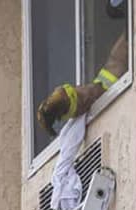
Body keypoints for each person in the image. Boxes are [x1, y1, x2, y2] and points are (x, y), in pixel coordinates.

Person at [36, 0, 130, 134]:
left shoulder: (104, 79)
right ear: (80, 111)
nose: (83, 91)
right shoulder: (101, 103)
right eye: (79, 97)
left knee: (112, 10)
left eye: (77, 91)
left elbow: (128, 36)